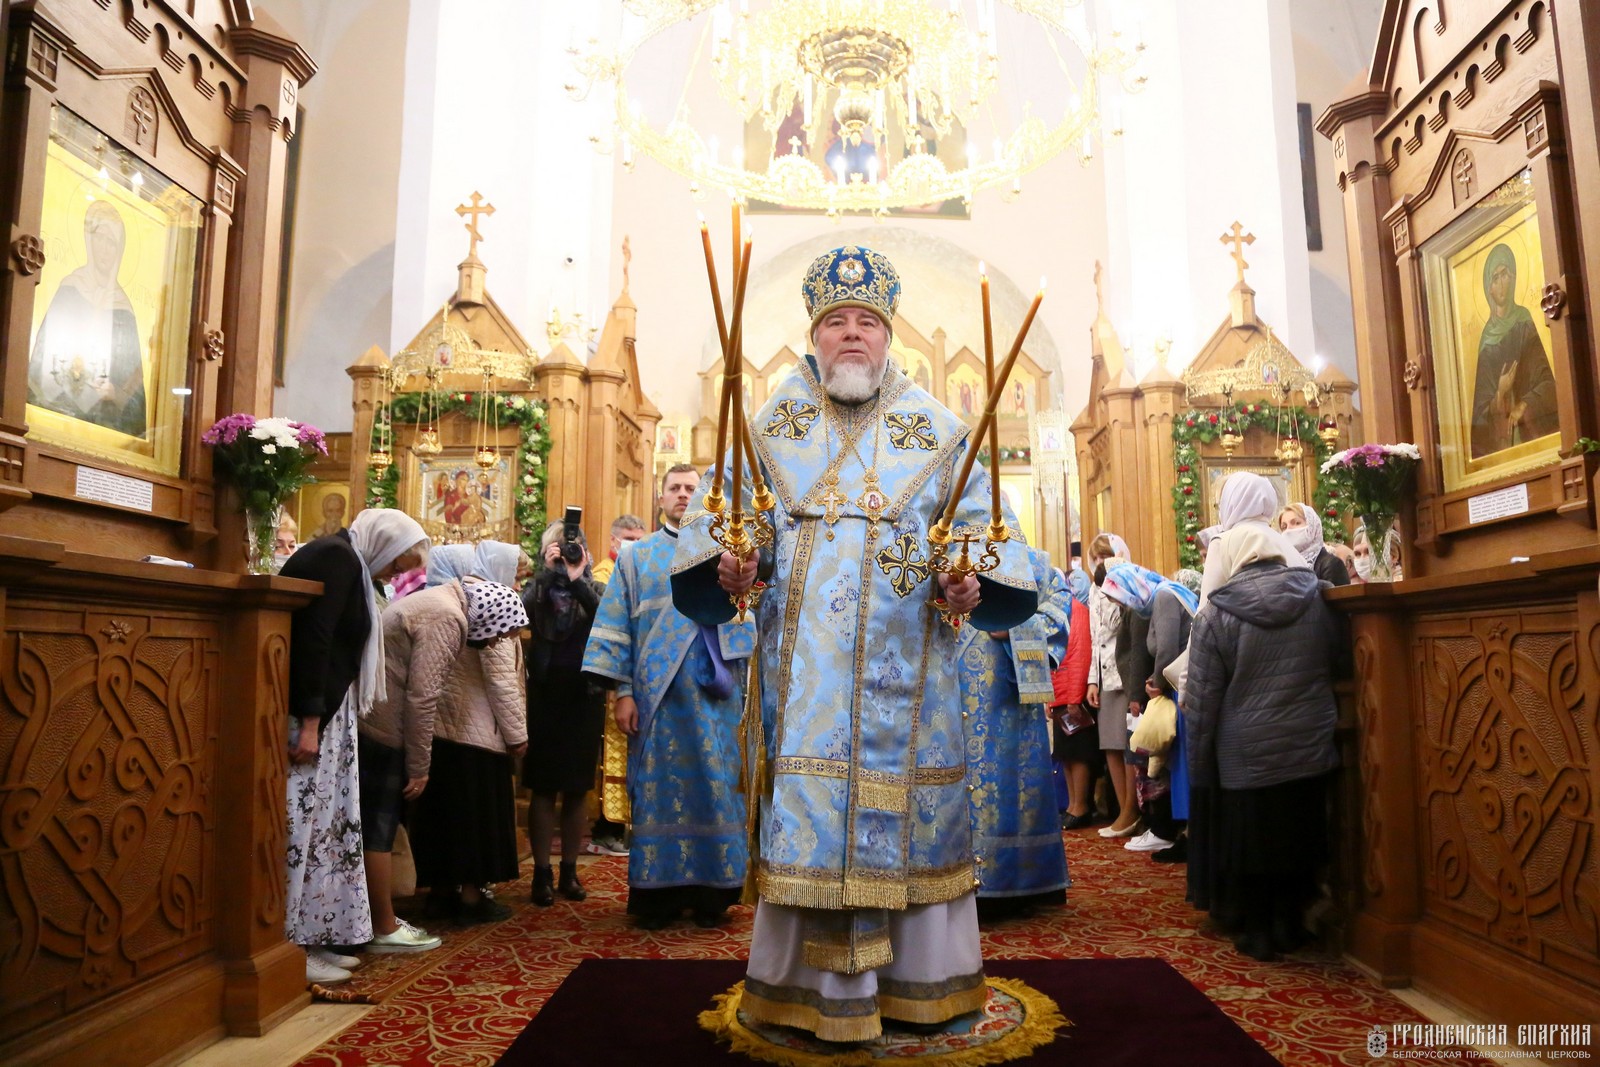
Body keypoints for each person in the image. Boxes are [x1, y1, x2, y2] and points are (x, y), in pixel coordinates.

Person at [672, 245, 1037, 1042]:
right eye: (835, 321)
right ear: (814, 334)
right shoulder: (769, 423)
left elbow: (983, 534)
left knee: (914, 825)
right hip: (806, 687)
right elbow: (723, 529)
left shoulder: (940, 431)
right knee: (812, 821)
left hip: (913, 687)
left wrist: (966, 582)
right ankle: (804, 996)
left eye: (865, 321)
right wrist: (732, 562)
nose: (850, 335)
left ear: (887, 335)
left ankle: (921, 988)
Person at [583, 467, 753, 930]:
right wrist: (622, 692)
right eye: (675, 488)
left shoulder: (729, 554)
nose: (683, 495)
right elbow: (618, 626)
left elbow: (751, 620)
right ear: (659, 497)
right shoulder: (637, 557)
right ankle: (657, 896)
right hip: (656, 698)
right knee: (658, 792)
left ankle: (712, 895)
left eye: (692, 489)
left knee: (716, 787)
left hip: (717, 696)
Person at [1184, 503, 1346, 961]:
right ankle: (1293, 924)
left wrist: (1201, 769)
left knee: (1254, 847)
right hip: (1309, 744)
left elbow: (1202, 702)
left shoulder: (1216, 612)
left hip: (1246, 757)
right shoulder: (1319, 595)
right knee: (1300, 838)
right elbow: (1339, 660)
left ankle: (1259, 931)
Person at [279, 508, 430, 986]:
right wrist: (309, 722)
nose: (393, 576)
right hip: (313, 716)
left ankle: (315, 933)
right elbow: (315, 641)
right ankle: (288, 944)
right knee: (302, 829)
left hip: (329, 715)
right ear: (381, 544)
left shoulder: (347, 560)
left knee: (326, 827)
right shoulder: (336, 558)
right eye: (395, 564)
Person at [411, 542, 530, 923]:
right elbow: (501, 681)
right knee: (474, 819)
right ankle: (471, 898)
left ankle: (439, 895)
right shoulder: (496, 603)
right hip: (478, 733)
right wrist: (517, 735)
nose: (519, 582)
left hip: (442, 730)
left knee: (445, 817)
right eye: (519, 573)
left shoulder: (460, 598)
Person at [963, 547, 1073, 920]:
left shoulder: (1032, 563)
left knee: (1008, 784)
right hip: (948, 696)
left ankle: (1015, 882)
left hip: (1007, 701)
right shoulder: (941, 558)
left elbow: (1060, 605)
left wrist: (1015, 627)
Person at [523, 521, 605, 907]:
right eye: (558, 545)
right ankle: (541, 873)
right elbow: (519, 614)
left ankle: (570, 870)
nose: (568, 551)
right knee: (542, 786)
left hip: (584, 695)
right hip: (544, 694)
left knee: (578, 788)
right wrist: (546, 572)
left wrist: (576, 579)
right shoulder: (536, 588)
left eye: (574, 545)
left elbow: (606, 616)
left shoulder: (596, 587)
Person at [1102, 563, 1200, 857]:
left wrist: (1156, 683)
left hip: (1177, 689)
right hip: (1174, 686)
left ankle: (1174, 833)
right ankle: (1178, 832)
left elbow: (1168, 648)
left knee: (1175, 765)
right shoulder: (1160, 597)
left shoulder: (1164, 597)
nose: (1122, 604)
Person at [27, 200, 146, 435]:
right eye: (99, 238)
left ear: (119, 250)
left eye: (111, 242)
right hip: (53, 418)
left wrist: (115, 393)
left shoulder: (125, 310)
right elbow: (39, 365)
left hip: (105, 425)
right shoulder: (70, 288)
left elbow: (136, 394)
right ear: (88, 241)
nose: (104, 249)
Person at [586, 513, 648, 857]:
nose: (634, 546)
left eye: (640, 540)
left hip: (640, 681)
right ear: (613, 542)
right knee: (611, 759)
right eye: (628, 539)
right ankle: (605, 828)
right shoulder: (602, 576)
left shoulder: (644, 568)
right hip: (611, 685)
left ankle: (628, 826)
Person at [1470, 243, 1558, 458]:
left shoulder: (1524, 322)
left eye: (1505, 274)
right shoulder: (1486, 340)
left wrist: (1525, 404)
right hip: (1501, 441)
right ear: (1488, 288)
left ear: (1514, 277)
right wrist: (1500, 393)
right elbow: (1478, 416)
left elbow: (1548, 381)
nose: (1502, 283)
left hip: (1531, 429)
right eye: (1495, 278)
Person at [1085, 532, 1139, 837]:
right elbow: (1096, 638)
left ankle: (1134, 809)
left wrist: (1111, 588)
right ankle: (1122, 809)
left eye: (1106, 556)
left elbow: (1117, 626)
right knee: (1110, 746)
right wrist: (1092, 680)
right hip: (1104, 676)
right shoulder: (1095, 590)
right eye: (1097, 558)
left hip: (1124, 674)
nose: (1101, 562)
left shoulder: (1126, 583)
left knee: (1127, 744)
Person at [1049, 566, 1098, 830]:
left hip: (1071, 693)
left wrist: (1074, 695)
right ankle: (1072, 805)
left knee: (1078, 753)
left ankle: (1081, 806)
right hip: (1059, 692)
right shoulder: (1061, 609)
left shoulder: (1076, 609)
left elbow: (1079, 654)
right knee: (1065, 754)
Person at [1276, 503, 1350, 588]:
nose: (1289, 530)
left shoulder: (1331, 564)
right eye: (1284, 527)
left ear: (1312, 526)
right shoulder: (1283, 567)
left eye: (1296, 523)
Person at [591, 513, 646, 586]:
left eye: (640, 540)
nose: (636, 544)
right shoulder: (603, 573)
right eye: (629, 539)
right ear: (613, 540)